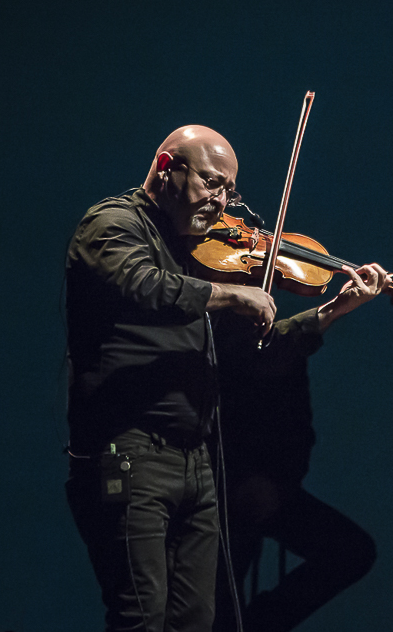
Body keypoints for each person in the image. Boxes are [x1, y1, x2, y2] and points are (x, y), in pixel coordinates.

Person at [65, 125, 275, 632]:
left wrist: (329, 312)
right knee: (141, 618)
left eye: (230, 190)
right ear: (166, 167)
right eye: (211, 182)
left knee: (195, 621)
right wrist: (228, 295)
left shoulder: (192, 249)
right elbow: (145, 287)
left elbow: (239, 347)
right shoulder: (112, 224)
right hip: (130, 453)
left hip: (193, 461)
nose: (222, 202)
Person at [210, 263, 391, 632]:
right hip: (211, 489)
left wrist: (276, 485)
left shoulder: (279, 346)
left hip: (267, 489)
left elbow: (299, 432)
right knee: (216, 599)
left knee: (351, 551)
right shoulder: (209, 339)